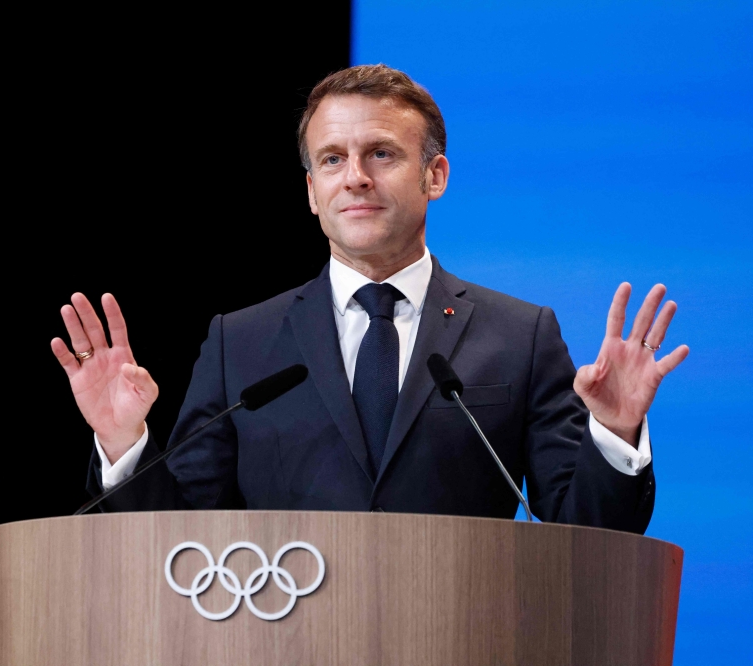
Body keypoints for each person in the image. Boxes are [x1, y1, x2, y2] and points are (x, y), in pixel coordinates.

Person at [50, 65, 688, 531]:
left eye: (381, 153)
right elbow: (175, 538)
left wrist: (614, 430)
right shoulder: (239, 342)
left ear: (433, 175)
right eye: (332, 159)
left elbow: (591, 532)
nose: (355, 176)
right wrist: (125, 441)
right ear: (310, 191)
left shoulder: (519, 336)